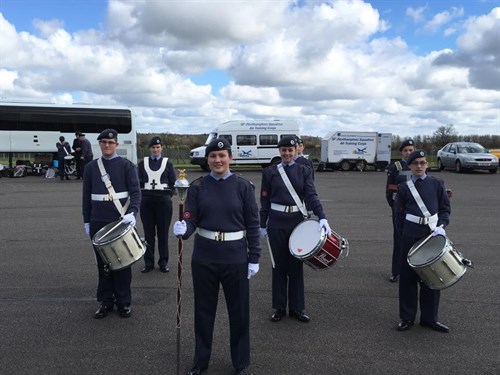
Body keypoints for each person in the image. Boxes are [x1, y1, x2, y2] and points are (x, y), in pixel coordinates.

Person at [173, 138, 261, 375]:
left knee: (239, 313)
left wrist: (254, 257)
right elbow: (191, 218)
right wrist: (184, 228)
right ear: (208, 159)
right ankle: (200, 362)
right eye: (213, 156)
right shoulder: (198, 186)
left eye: (222, 156)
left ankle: (241, 363)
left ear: (230, 158)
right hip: (205, 257)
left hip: (235, 258)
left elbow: (253, 225)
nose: (217, 160)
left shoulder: (244, 187)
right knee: (203, 312)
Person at [260, 136, 332, 323]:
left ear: (296, 151)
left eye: (290, 150)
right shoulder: (269, 172)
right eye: (283, 150)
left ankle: (297, 308)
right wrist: (262, 224)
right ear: (279, 151)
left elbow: (311, 195)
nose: (287, 153)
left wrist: (322, 216)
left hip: (296, 223)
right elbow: (264, 200)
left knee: (296, 266)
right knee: (278, 266)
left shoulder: (304, 170)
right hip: (276, 222)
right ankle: (279, 307)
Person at [82, 129, 141, 319]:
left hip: (119, 221)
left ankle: (123, 302)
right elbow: (86, 197)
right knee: (103, 265)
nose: (107, 145)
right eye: (104, 142)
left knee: (122, 263)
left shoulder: (127, 166)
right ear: (99, 144)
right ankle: (105, 301)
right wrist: (86, 221)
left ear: (116, 144)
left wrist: (132, 212)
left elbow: (135, 193)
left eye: (110, 142)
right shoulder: (91, 167)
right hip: (98, 220)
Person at [394, 149, 451, 333]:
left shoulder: (437, 184)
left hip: (432, 234)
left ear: (427, 164)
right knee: (408, 278)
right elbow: (399, 214)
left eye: (422, 162)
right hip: (410, 234)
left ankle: (429, 318)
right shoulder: (404, 187)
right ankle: (406, 317)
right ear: (409, 166)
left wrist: (441, 225)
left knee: (431, 276)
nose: (419, 166)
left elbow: (445, 209)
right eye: (415, 163)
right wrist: (404, 234)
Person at [138, 136, 177, 273]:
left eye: (158, 147)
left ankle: (163, 262)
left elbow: (173, 183)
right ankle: (148, 263)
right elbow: (139, 182)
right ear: (150, 149)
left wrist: (167, 195)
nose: (155, 150)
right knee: (148, 234)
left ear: (162, 148)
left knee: (163, 234)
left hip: (163, 202)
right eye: (153, 147)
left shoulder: (168, 163)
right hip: (147, 202)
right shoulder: (143, 163)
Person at [385, 139, 415, 282]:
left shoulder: (418, 166)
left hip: (415, 210)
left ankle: (414, 271)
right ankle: (396, 271)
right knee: (399, 240)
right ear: (401, 152)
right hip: (400, 210)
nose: (408, 153)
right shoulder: (396, 167)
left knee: (416, 241)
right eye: (405, 150)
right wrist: (395, 206)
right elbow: (389, 189)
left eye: (411, 150)